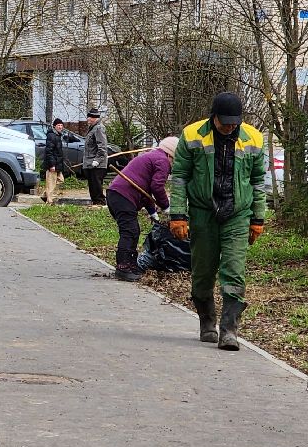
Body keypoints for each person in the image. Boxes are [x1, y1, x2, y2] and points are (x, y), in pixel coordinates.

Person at [169, 92, 268, 350]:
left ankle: (229, 330)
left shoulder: (254, 138)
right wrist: (177, 215)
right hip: (203, 213)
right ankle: (206, 321)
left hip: (238, 214)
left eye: (234, 123)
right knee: (203, 272)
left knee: (234, 270)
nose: (230, 127)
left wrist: (258, 218)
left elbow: (258, 181)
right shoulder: (192, 135)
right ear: (213, 117)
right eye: (225, 122)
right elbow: (179, 176)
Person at [106, 136, 178, 282]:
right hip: (123, 196)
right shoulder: (162, 161)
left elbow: (145, 191)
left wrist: (153, 213)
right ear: (171, 154)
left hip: (116, 195)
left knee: (133, 231)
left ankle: (130, 265)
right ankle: (123, 268)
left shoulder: (153, 157)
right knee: (130, 231)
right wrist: (166, 207)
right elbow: (156, 187)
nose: (173, 165)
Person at [83, 109, 110, 205]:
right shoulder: (92, 128)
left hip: (97, 165)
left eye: (89, 117)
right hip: (90, 163)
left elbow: (102, 147)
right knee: (92, 186)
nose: (88, 119)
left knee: (96, 186)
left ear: (94, 118)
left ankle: (100, 203)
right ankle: (95, 202)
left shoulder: (99, 128)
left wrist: (97, 160)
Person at [40, 118, 67, 204]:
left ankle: (45, 195)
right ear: (54, 126)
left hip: (57, 164)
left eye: (61, 125)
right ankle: (49, 201)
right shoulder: (51, 136)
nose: (60, 127)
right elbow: (49, 152)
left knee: (60, 179)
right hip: (53, 164)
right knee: (51, 183)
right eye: (58, 125)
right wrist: (52, 165)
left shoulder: (58, 136)